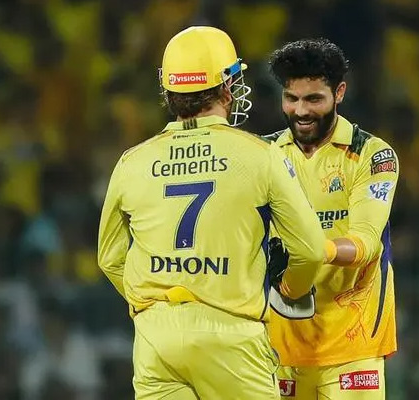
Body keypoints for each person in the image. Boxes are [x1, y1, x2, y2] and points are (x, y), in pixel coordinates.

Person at [97, 26, 326, 400]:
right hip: (231, 335)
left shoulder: (131, 162)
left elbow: (109, 258)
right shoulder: (260, 156)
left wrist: (153, 304)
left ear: (169, 89)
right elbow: (311, 250)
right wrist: (291, 290)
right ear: (227, 87)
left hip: (156, 338)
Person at [265, 38, 399, 399]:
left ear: (339, 92)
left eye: (313, 99)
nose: (301, 111)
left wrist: (311, 251)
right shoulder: (264, 155)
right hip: (278, 349)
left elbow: (366, 242)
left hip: (354, 350)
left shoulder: (372, 154)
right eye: (291, 98)